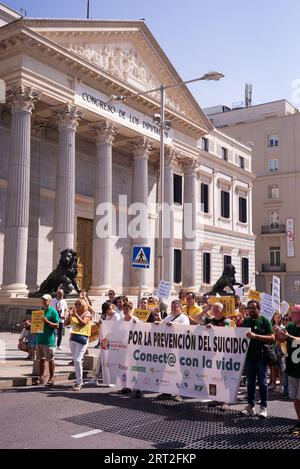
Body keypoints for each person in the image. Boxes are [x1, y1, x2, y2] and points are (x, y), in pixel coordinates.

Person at [242, 300, 274, 418]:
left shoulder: (264, 320)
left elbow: (272, 338)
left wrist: (256, 336)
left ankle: (263, 407)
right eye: (249, 308)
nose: (251, 310)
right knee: (250, 383)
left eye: (253, 308)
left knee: (262, 383)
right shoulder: (246, 321)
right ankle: (251, 406)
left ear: (258, 309)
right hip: (249, 357)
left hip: (261, 357)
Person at [156, 300, 190, 402]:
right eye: (172, 307)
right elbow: (163, 324)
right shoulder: (169, 317)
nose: (173, 309)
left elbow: (185, 328)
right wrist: (158, 323)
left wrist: (173, 324)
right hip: (169, 348)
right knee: (168, 371)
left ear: (180, 308)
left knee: (179, 372)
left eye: (175, 307)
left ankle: (180, 393)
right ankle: (167, 391)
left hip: (179, 349)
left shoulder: (184, 318)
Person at [274, 304, 300, 434]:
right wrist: (277, 332)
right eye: (293, 313)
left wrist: (288, 336)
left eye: (297, 313)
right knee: (295, 398)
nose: (294, 315)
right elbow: (279, 341)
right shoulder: (289, 326)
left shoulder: (291, 330)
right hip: (292, 368)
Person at [65, 299, 92, 391]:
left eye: (79, 304)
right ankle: (78, 380)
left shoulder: (87, 313)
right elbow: (66, 323)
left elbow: (84, 323)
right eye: (76, 304)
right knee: (76, 360)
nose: (77, 305)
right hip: (73, 337)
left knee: (77, 360)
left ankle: (79, 382)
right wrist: (69, 316)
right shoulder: (74, 314)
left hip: (82, 338)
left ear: (83, 305)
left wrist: (76, 315)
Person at [34, 294, 59, 386]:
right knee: (41, 359)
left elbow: (57, 325)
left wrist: (47, 321)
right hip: (40, 338)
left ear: (50, 301)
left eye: (45, 300)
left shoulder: (53, 312)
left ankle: (51, 377)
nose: (43, 301)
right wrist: (31, 325)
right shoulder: (41, 311)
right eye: (43, 300)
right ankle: (41, 377)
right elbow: (37, 324)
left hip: (49, 339)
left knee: (50, 359)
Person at [119, 302, 142, 397]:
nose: (125, 311)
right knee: (125, 367)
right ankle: (126, 386)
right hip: (124, 347)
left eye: (127, 309)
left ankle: (138, 388)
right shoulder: (121, 320)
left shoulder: (135, 319)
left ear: (131, 309)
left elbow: (140, 331)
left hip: (133, 348)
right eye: (124, 309)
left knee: (134, 367)